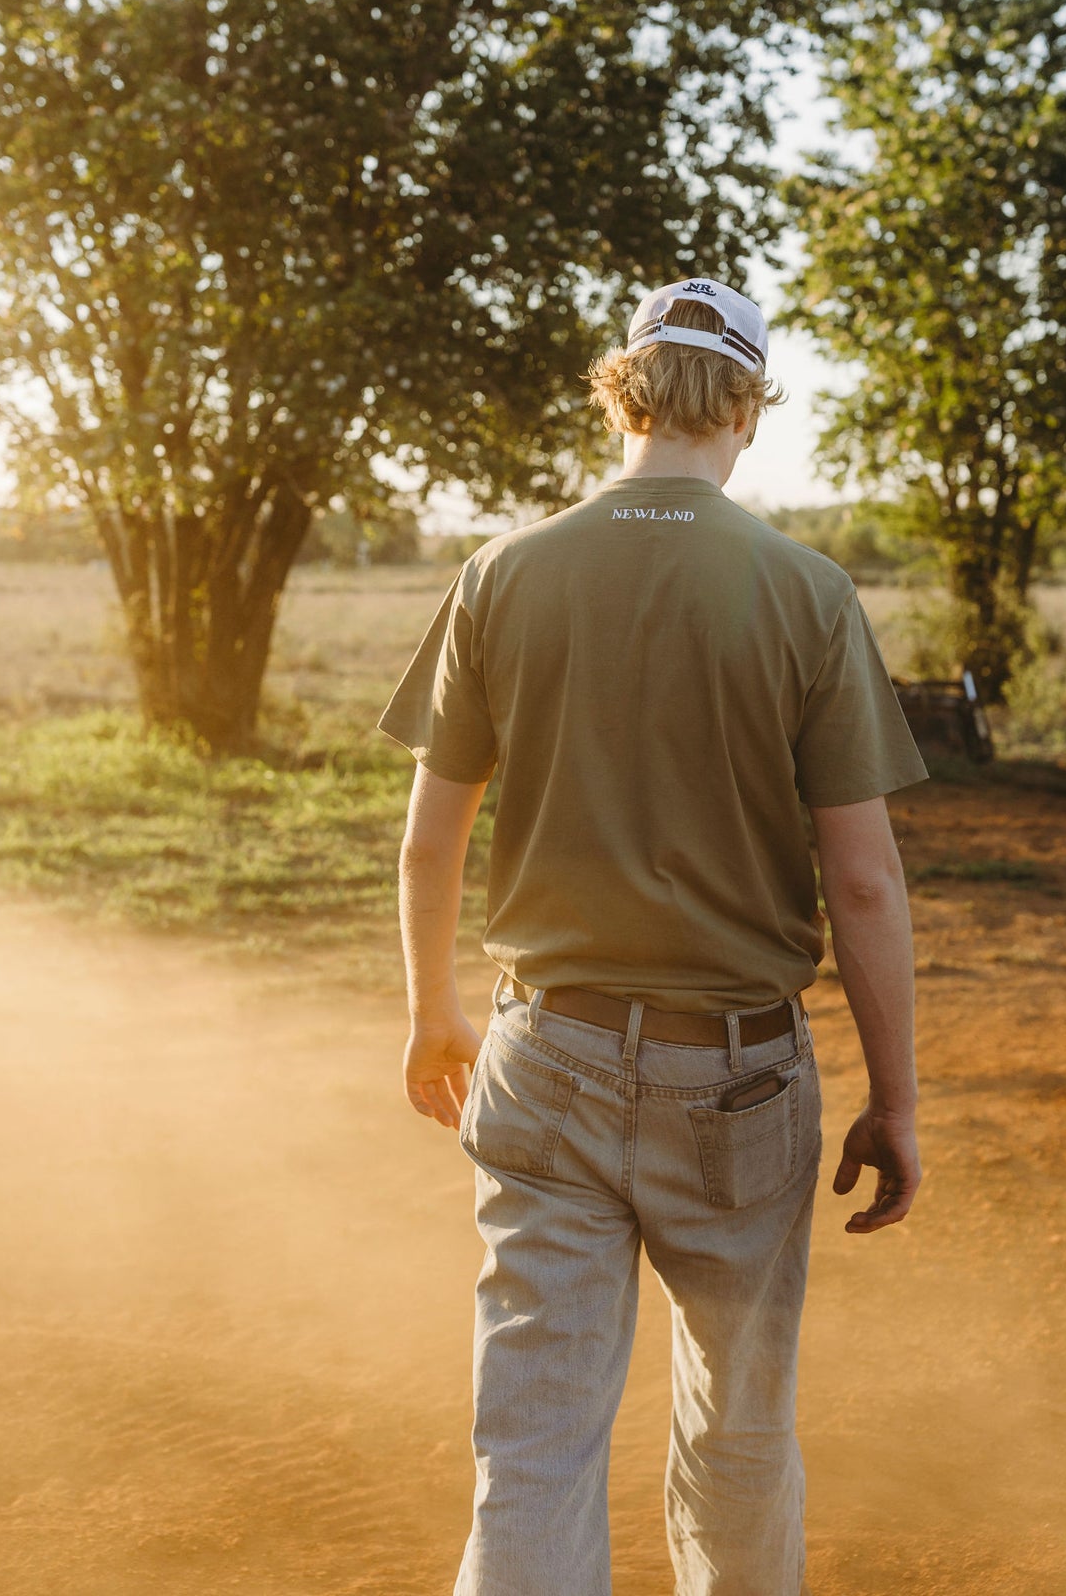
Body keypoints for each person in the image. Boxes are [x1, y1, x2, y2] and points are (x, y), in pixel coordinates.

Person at [379, 277, 927, 1596]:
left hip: (541, 1047)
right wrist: (894, 1098)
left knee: (534, 1449)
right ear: (743, 407)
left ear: (623, 393)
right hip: (735, 1079)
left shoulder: (502, 573)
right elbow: (859, 886)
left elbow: (431, 839)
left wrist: (431, 1013)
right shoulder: (802, 592)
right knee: (736, 1434)